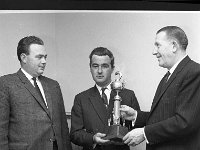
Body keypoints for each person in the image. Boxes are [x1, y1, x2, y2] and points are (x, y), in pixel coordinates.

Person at [120, 26, 200, 150]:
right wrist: (136, 115)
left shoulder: (194, 72)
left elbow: (184, 122)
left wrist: (144, 133)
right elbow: (165, 116)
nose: (154, 51)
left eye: (158, 45)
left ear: (174, 46)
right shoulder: (169, 76)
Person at [0, 36, 72, 150]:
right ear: (24, 58)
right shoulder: (6, 84)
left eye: (45, 57)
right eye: (39, 57)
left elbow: (63, 127)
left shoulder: (53, 85)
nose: (44, 61)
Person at [70, 47, 140, 150]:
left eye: (104, 66)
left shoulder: (127, 95)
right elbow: (75, 134)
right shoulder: (81, 98)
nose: (99, 71)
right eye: (95, 66)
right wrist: (93, 138)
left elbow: (138, 127)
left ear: (112, 68)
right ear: (90, 68)